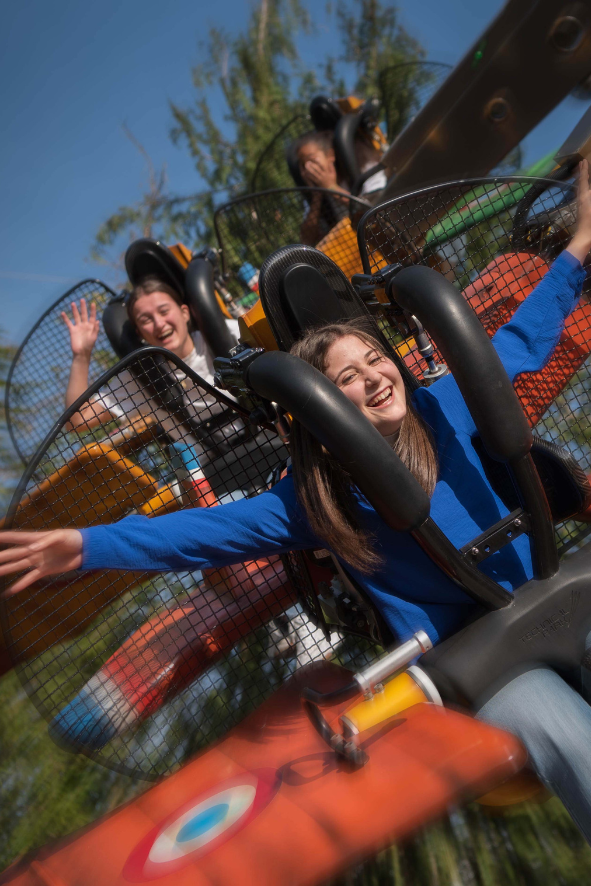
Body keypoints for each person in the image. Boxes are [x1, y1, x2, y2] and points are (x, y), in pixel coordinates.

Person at [3, 163, 591, 838]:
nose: (372, 378)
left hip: (552, 591)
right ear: (320, 410)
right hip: (487, 658)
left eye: (374, 361)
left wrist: (575, 244)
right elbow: (195, 534)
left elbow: (521, 340)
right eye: (346, 379)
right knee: (566, 735)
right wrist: (82, 545)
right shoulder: (315, 499)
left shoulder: (447, 403)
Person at [62, 276, 240, 506]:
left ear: (185, 313)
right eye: (146, 320)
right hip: (217, 478)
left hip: (271, 439)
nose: (159, 323)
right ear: (140, 334)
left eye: (164, 311)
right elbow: (77, 420)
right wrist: (81, 356)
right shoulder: (141, 378)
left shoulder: (225, 335)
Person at [294, 129, 386, 245]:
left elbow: (372, 208)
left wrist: (331, 187)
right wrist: (317, 197)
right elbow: (307, 239)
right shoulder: (312, 196)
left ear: (330, 155)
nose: (308, 169)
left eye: (312, 160)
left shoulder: (362, 167)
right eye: (303, 165)